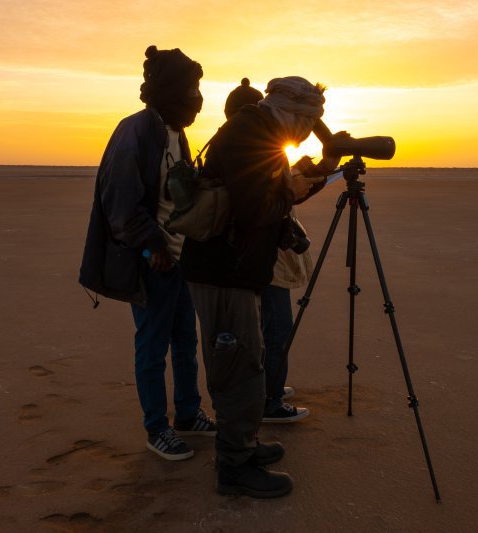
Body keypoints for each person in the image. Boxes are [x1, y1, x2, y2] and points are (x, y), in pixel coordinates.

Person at [180, 76, 336, 498]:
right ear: (290, 112)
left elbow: (265, 199)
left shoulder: (258, 130)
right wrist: (290, 191)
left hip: (235, 273)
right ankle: (234, 467)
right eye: (306, 122)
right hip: (223, 274)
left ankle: (242, 447)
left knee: (246, 365)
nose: (305, 133)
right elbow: (254, 211)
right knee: (238, 371)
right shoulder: (251, 134)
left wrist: (312, 176)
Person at [79, 45, 216, 462]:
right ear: (173, 92)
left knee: (185, 340)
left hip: (178, 259)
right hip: (152, 262)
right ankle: (157, 428)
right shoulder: (135, 130)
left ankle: (189, 416)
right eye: (191, 89)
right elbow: (120, 200)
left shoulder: (175, 131)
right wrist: (152, 245)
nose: (196, 100)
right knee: (152, 345)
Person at [222, 78, 316, 424]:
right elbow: (259, 205)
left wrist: (300, 180)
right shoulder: (251, 144)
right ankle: (269, 400)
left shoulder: (250, 141)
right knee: (274, 329)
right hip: (260, 258)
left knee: (265, 329)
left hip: (258, 257)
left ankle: (268, 387)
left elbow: (275, 194)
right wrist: (291, 188)